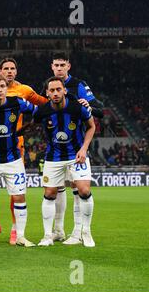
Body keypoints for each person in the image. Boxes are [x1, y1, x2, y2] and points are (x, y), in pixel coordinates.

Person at [0, 57, 48, 244]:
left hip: (14, 158)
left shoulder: (18, 102)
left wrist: (29, 127)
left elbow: (40, 111)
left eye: (2, 87)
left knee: (19, 196)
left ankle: (20, 235)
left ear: (7, 88)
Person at [43, 52, 104, 244]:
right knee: (56, 190)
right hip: (56, 150)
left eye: (62, 65)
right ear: (52, 67)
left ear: (68, 66)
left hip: (77, 148)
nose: (59, 68)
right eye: (56, 65)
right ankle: (58, 230)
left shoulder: (78, 85)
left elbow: (99, 110)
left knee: (79, 189)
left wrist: (89, 107)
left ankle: (79, 232)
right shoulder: (49, 86)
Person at [34, 77, 96, 247]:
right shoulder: (42, 111)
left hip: (76, 155)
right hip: (53, 157)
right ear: (47, 93)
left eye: (58, 89)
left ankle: (86, 232)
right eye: (51, 90)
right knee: (50, 193)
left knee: (83, 190)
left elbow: (92, 126)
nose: (55, 93)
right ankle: (48, 235)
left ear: (64, 91)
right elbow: (30, 123)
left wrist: (84, 148)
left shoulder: (78, 108)